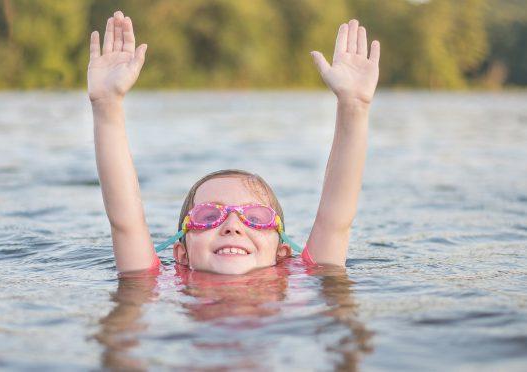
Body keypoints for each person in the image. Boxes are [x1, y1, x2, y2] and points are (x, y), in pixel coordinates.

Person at [87, 10, 380, 275]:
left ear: (282, 252)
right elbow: (126, 222)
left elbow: (335, 218)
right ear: (181, 254)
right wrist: (107, 105)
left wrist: (354, 107)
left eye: (255, 217)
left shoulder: (306, 276)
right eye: (208, 215)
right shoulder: (154, 282)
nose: (232, 226)